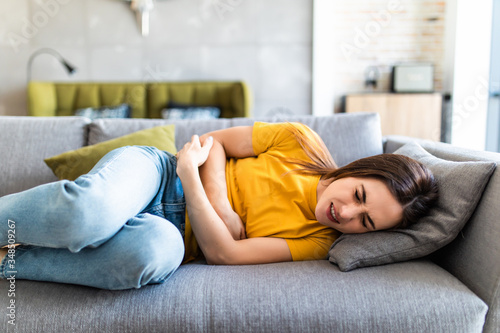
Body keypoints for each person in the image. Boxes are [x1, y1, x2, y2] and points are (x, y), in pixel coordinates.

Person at [0, 122, 438, 290]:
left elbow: (222, 254)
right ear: (357, 169)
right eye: (359, 196)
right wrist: (221, 206)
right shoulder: (300, 142)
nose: (347, 213)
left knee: (150, 257)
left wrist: (195, 178)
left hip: (173, 233)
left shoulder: (319, 241)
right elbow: (218, 143)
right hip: (156, 174)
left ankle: (7, 262)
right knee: (86, 215)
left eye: (366, 222)